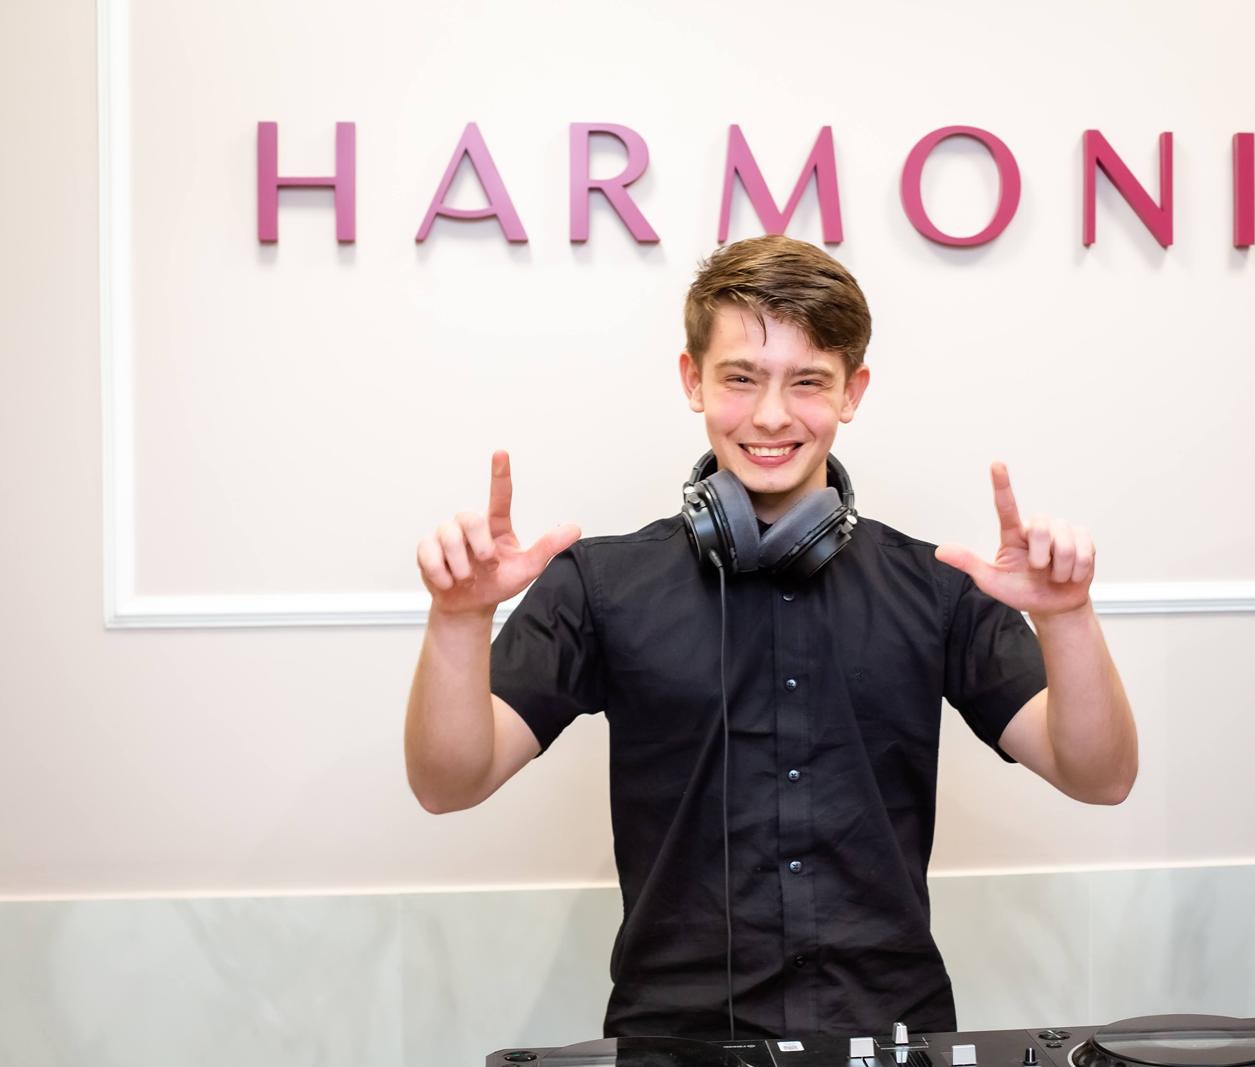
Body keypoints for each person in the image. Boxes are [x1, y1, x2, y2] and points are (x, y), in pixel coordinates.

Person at [404, 234, 1137, 1041]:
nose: (772, 415)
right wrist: (459, 619)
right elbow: (448, 782)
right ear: (693, 380)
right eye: (741, 377)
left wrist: (1067, 617)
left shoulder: (939, 587)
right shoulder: (598, 584)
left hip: (890, 1036)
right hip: (672, 1044)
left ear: (853, 391)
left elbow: (1099, 775)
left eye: (808, 380)